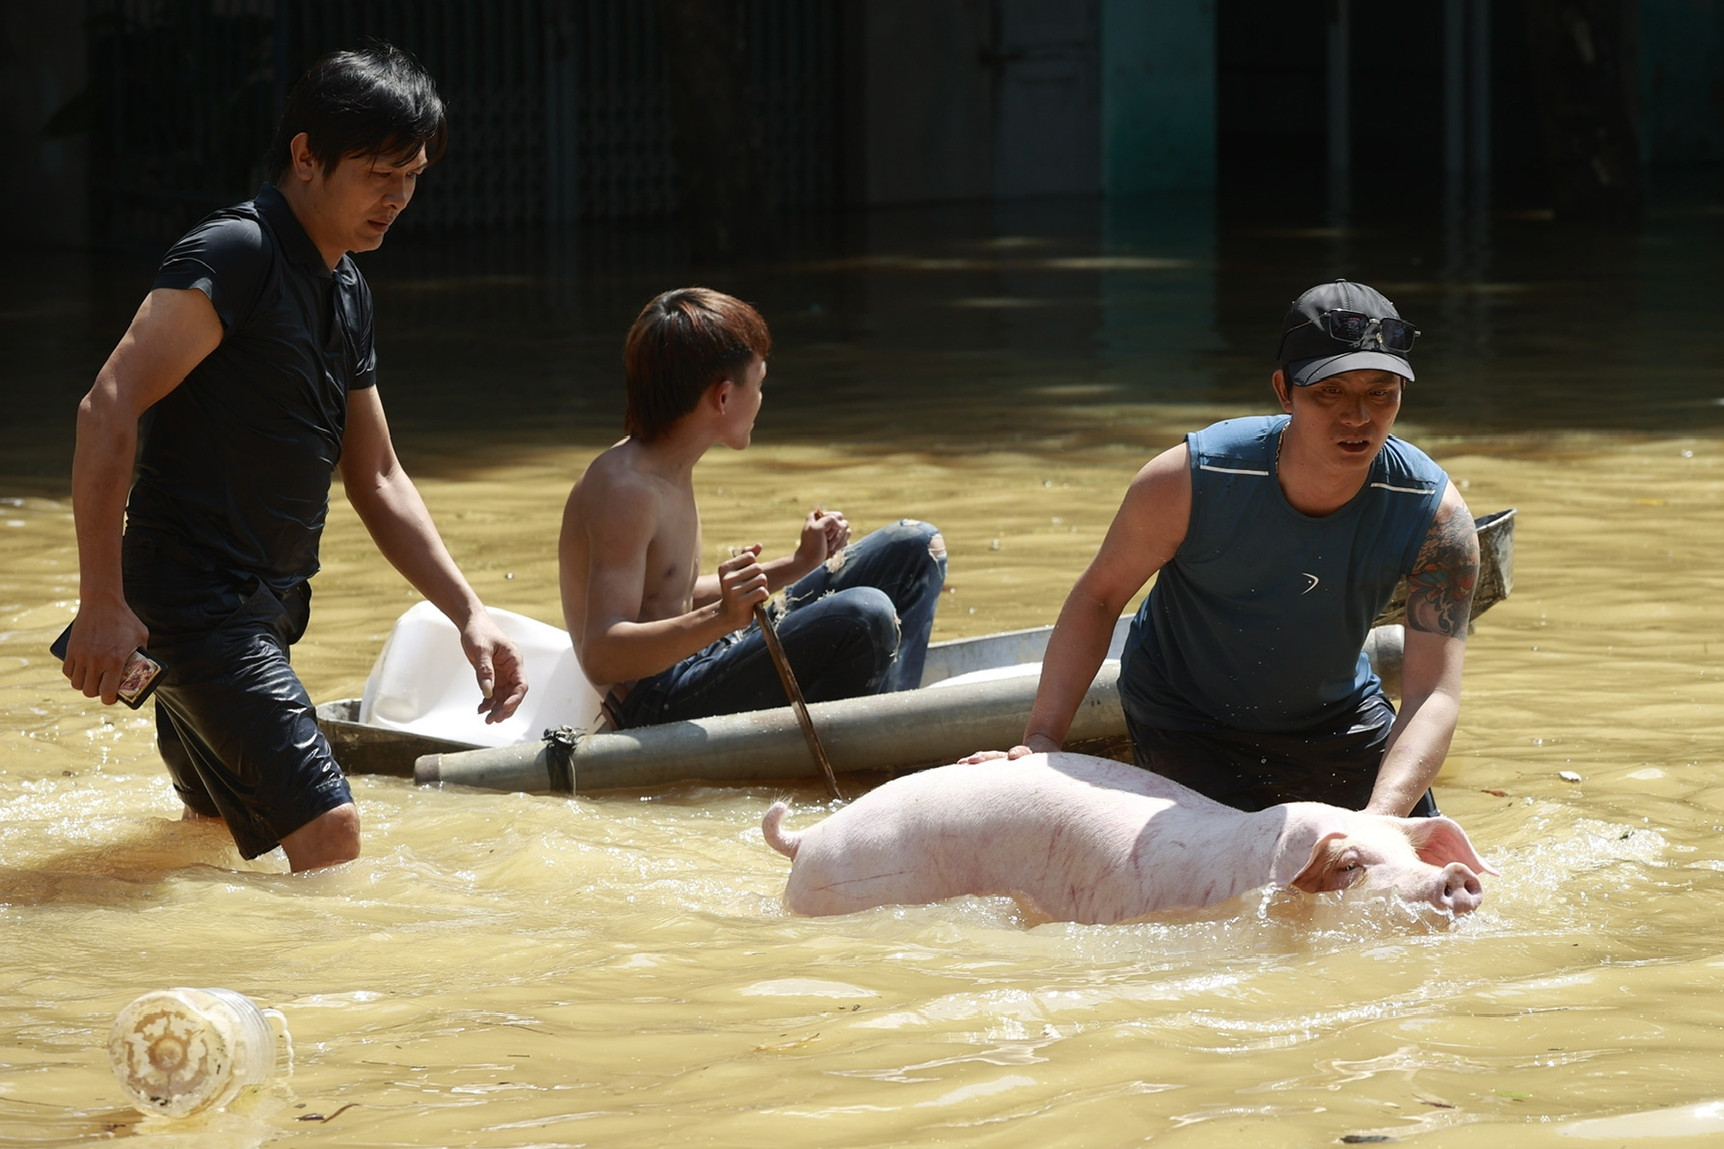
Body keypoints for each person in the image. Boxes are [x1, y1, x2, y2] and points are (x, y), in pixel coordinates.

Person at [62, 43, 527, 872]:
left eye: (412, 176)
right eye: (380, 174)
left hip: (263, 610)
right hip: (200, 608)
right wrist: (101, 598)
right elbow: (107, 407)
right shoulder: (236, 254)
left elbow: (377, 474)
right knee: (332, 834)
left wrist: (469, 611)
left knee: (206, 844)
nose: (399, 197)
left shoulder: (345, 286)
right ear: (306, 156)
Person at [968, 279, 1478, 818]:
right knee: (1225, 895)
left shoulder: (1436, 518)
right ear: (1285, 391)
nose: (1358, 417)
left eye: (1381, 392)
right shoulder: (1191, 479)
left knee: (1421, 888)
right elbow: (1100, 597)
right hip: (1188, 719)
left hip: (1337, 715)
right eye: (1330, 391)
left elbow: (1433, 694)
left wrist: (1380, 820)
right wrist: (1044, 741)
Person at [559, 287, 946, 729]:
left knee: (915, 547)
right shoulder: (625, 490)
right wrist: (722, 617)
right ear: (723, 398)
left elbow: (665, 596)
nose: (761, 399)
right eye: (758, 384)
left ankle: (895, 726)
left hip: (701, 657)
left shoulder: (666, 466)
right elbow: (603, 655)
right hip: (658, 700)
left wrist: (799, 564)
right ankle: (889, 744)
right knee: (865, 614)